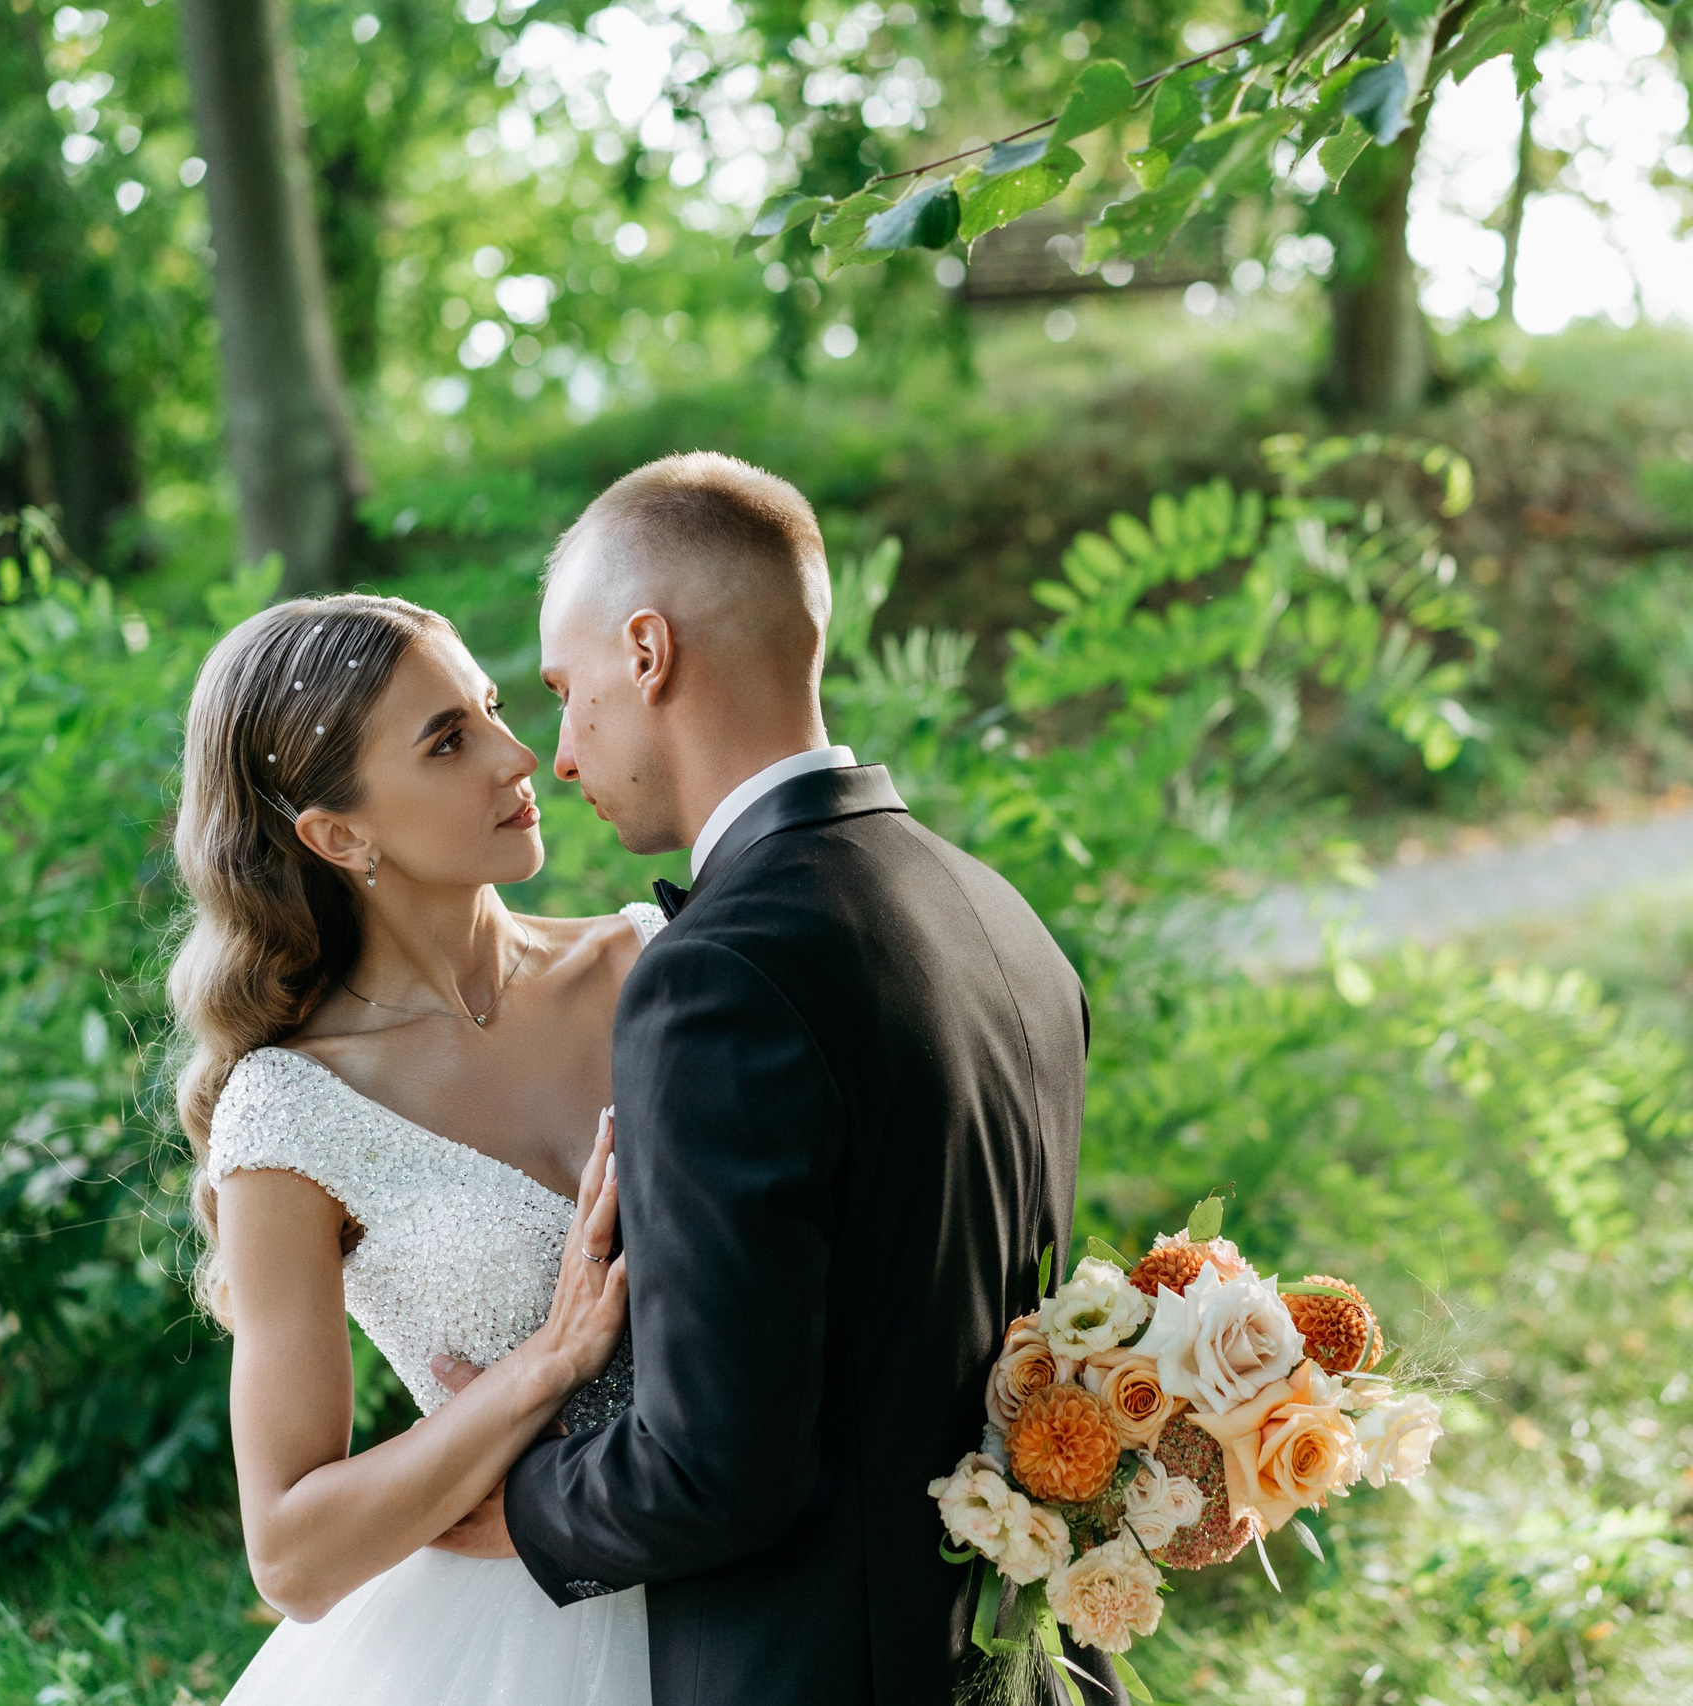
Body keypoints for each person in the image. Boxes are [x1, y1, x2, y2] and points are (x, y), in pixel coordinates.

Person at [484, 452, 1105, 1705]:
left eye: (564, 690)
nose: (560, 754)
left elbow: (715, 1468)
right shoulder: (999, 911)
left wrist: (504, 1494)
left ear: (646, 651)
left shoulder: (716, 975)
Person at [167, 593, 653, 1706]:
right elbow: (291, 1552)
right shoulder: (292, 1111)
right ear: (339, 835)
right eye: (448, 741)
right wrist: (544, 1367)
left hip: (777, 1560)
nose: (519, 754)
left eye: (491, 708)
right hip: (521, 1636)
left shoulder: (658, 961)